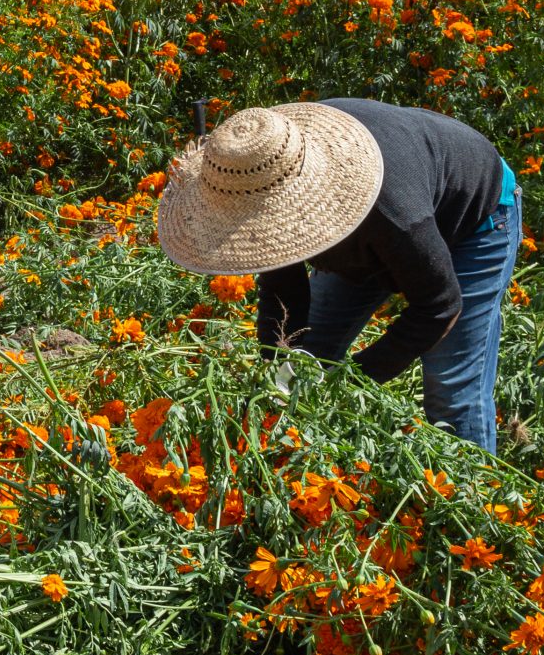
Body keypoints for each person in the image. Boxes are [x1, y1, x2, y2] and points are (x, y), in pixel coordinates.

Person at [155, 99, 521, 450]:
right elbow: (284, 293)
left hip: (472, 221)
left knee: (450, 393)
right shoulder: (263, 171)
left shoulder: (394, 213)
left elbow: (439, 305)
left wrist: (352, 381)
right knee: (304, 358)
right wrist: (276, 372)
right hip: (378, 231)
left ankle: (473, 497)